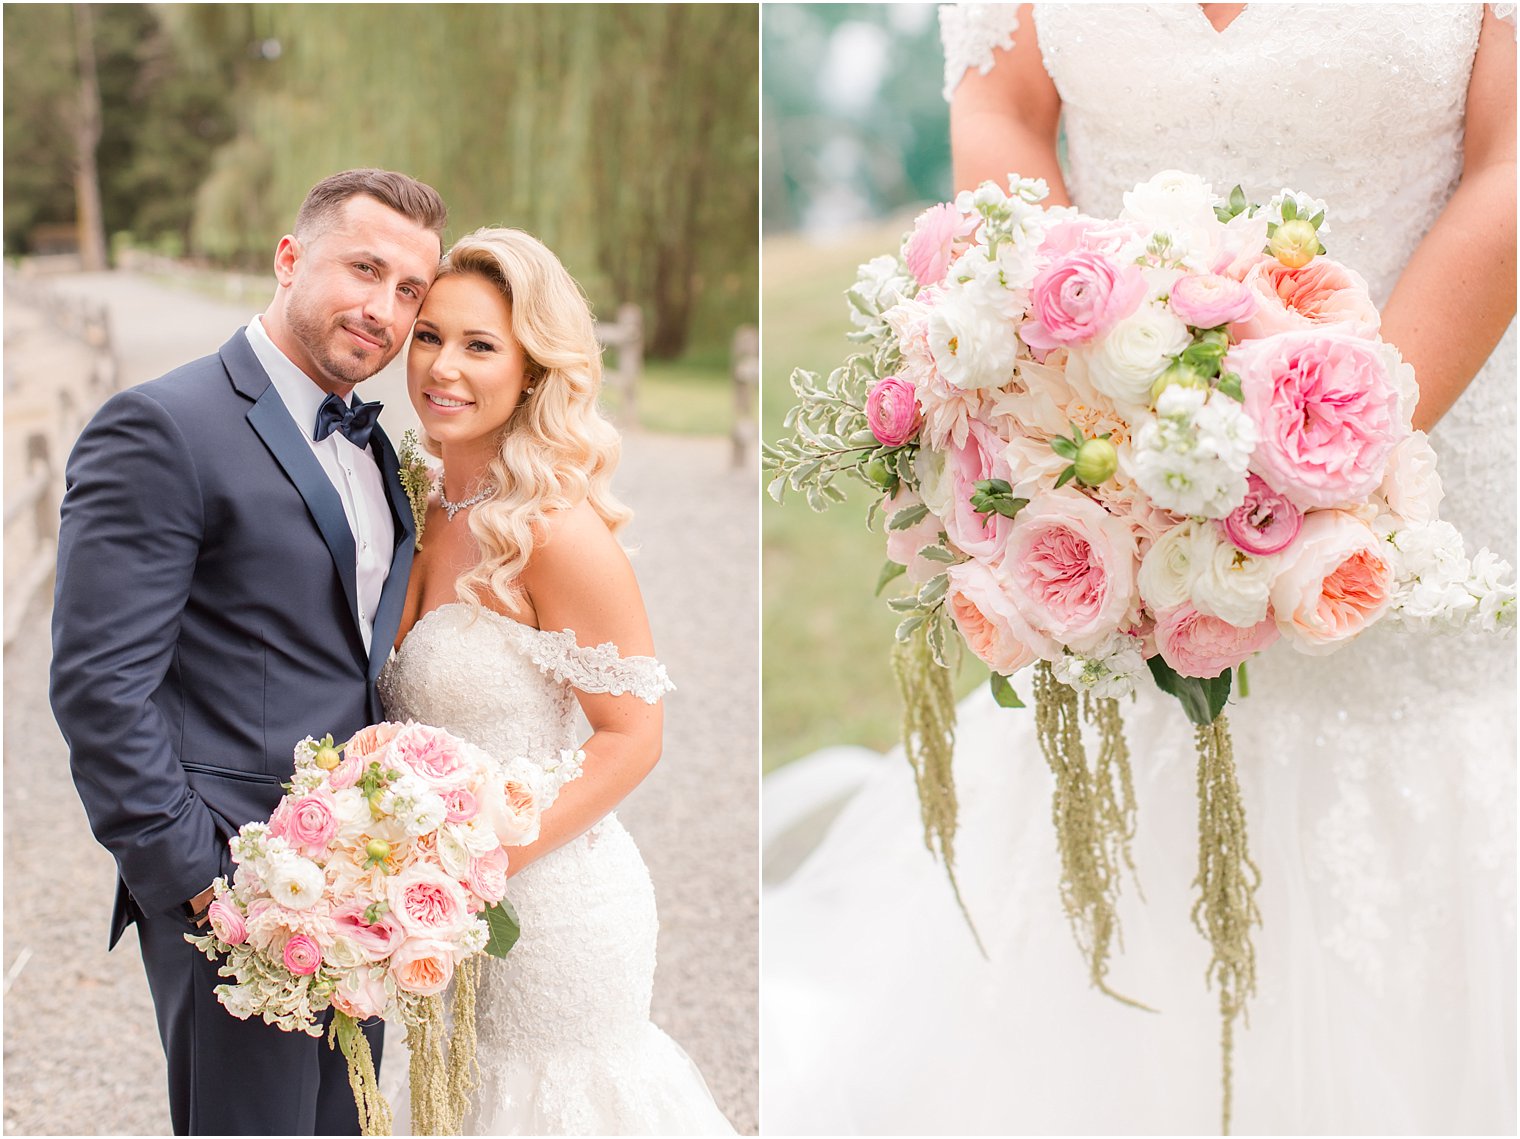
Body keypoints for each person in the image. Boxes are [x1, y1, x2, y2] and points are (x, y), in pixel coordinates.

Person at [763, 4, 1516, 1134]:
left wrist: (1338, 443)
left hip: (1432, 434)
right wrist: (1077, 388)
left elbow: (1506, 159)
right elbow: (1001, 109)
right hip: (1121, 463)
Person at [50, 168, 446, 1135]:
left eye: (409, 292)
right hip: (233, 891)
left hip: (358, 889)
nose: (384, 309)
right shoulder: (164, 426)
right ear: (288, 257)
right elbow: (99, 688)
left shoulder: (375, 448)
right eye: (364, 268)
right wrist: (199, 880)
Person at [377, 226, 736, 1135]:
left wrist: (478, 859)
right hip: (433, 915)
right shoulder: (407, 504)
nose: (443, 367)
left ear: (534, 370)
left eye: (480, 345)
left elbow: (633, 736)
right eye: (430, 336)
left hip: (549, 918)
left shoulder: (556, 531)